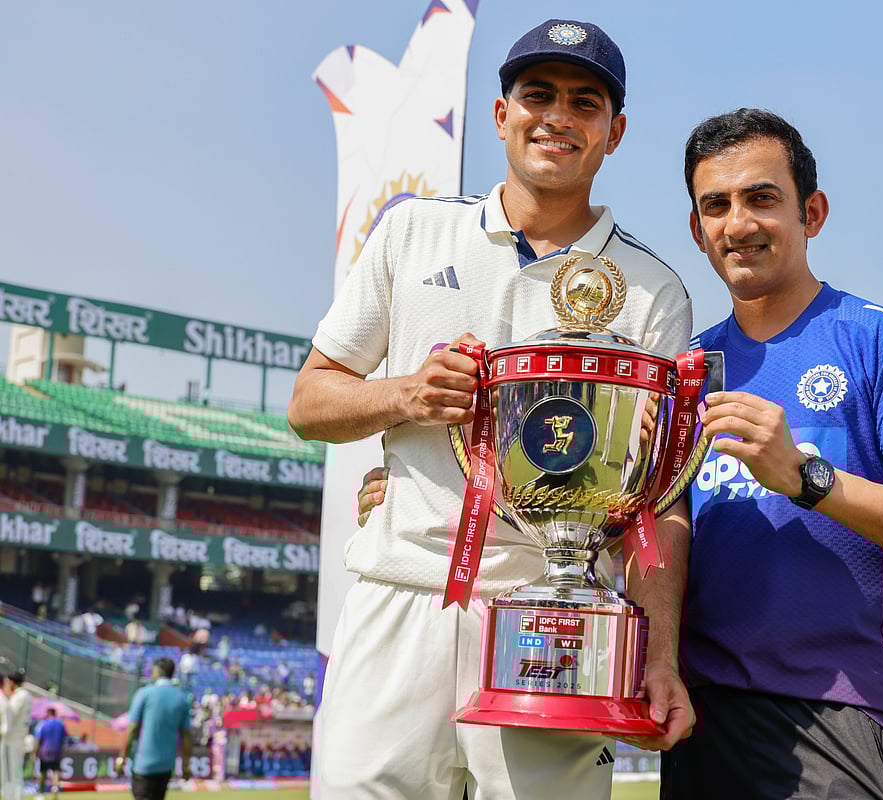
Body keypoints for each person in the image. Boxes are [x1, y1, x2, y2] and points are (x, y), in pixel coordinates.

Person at [288, 17, 694, 799]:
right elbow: (310, 402)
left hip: (558, 615)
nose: (558, 117)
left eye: (585, 103)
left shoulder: (653, 290)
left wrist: (660, 655)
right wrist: (405, 392)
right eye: (537, 95)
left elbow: (664, 508)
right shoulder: (413, 231)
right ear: (502, 114)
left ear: (614, 132)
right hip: (402, 593)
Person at [648, 108, 883, 800]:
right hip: (703, 716)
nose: (738, 223)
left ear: (813, 212)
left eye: (761, 198)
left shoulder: (876, 339)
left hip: (840, 711)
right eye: (716, 205)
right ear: (697, 230)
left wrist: (805, 476)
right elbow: (658, 527)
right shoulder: (683, 369)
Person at [115, 658, 193, 800]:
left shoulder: (144, 693)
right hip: (166, 767)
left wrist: (122, 758)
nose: (150, 672)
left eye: (152, 669)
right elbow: (186, 736)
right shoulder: (181, 698)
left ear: (159, 671)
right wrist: (186, 765)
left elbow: (132, 729)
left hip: (144, 766)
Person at [1, 668, 33, 800]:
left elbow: (9, 716)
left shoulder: (19, 696)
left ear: (13, 682)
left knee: (9, 775)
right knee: (16, 774)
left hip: (11, 740)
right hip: (19, 738)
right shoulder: (27, 695)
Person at [33, 707, 66, 796]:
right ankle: (55, 787)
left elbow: (38, 739)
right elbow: (64, 738)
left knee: (43, 772)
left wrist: (35, 752)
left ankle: (41, 794)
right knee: (56, 771)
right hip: (57, 751)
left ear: (48, 714)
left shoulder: (43, 724)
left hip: (44, 751)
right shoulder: (61, 724)